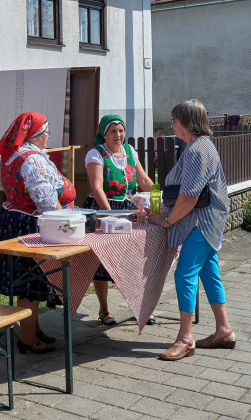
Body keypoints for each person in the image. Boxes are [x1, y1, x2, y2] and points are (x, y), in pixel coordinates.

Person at [148, 99, 233, 361]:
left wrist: (168, 221)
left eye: (175, 120)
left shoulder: (197, 150)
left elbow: (189, 197)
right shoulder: (200, 146)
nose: (171, 124)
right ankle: (223, 330)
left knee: (185, 274)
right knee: (209, 272)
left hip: (201, 222)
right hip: (209, 221)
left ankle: (185, 339)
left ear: (187, 122)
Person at [0, 111, 76, 354]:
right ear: (36, 135)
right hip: (31, 224)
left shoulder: (9, 157)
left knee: (30, 280)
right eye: (46, 132)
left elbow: (1, 181)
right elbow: (47, 201)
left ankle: (34, 327)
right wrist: (66, 223)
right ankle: (27, 338)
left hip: (14, 219)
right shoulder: (32, 160)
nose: (49, 136)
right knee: (30, 281)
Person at [83, 115, 155, 326]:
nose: (118, 135)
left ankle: (140, 307)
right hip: (103, 209)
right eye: (113, 131)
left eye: (121, 130)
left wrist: (163, 195)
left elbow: (142, 180)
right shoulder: (96, 155)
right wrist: (110, 216)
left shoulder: (130, 151)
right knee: (102, 262)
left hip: (127, 209)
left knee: (134, 259)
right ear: (103, 134)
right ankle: (104, 309)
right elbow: (97, 188)